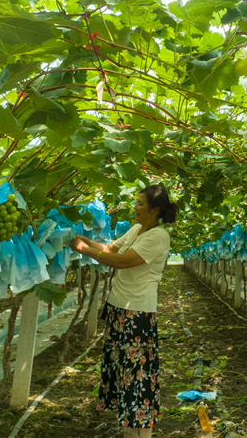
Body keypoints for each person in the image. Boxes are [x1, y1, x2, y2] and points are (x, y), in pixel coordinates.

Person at [70, 184, 177, 438]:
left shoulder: (159, 235)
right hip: (119, 308)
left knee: (138, 377)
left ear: (155, 209)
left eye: (140, 204)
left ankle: (142, 435)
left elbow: (124, 261)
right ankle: (129, 433)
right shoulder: (138, 228)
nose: (135, 207)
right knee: (121, 372)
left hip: (137, 315)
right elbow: (110, 250)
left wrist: (84, 250)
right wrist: (84, 240)